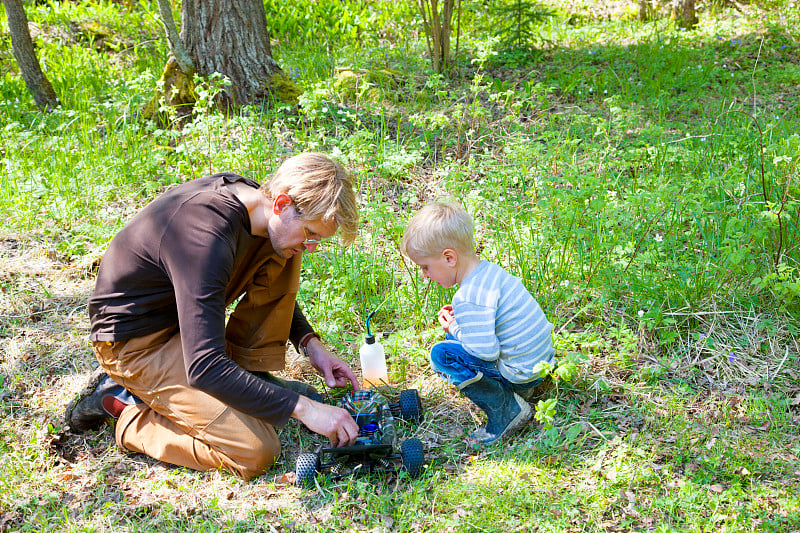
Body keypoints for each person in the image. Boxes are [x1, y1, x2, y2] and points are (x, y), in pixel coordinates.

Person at [65, 152, 362, 480]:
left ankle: (247, 377)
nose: (312, 247)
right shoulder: (205, 235)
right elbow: (205, 367)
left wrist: (310, 344)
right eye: (310, 234)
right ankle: (125, 406)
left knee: (284, 251)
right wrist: (304, 409)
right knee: (255, 450)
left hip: (186, 326)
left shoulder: (258, 208)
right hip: (136, 342)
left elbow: (272, 280)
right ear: (281, 204)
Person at [400, 202, 555, 444]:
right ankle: (523, 391)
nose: (425, 275)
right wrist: (462, 324)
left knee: (442, 354)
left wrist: (454, 328)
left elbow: (485, 351)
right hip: (539, 364)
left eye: (426, 267)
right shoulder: (491, 273)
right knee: (456, 339)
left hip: (519, 372)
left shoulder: (468, 297)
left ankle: (507, 410)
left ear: (449, 258)